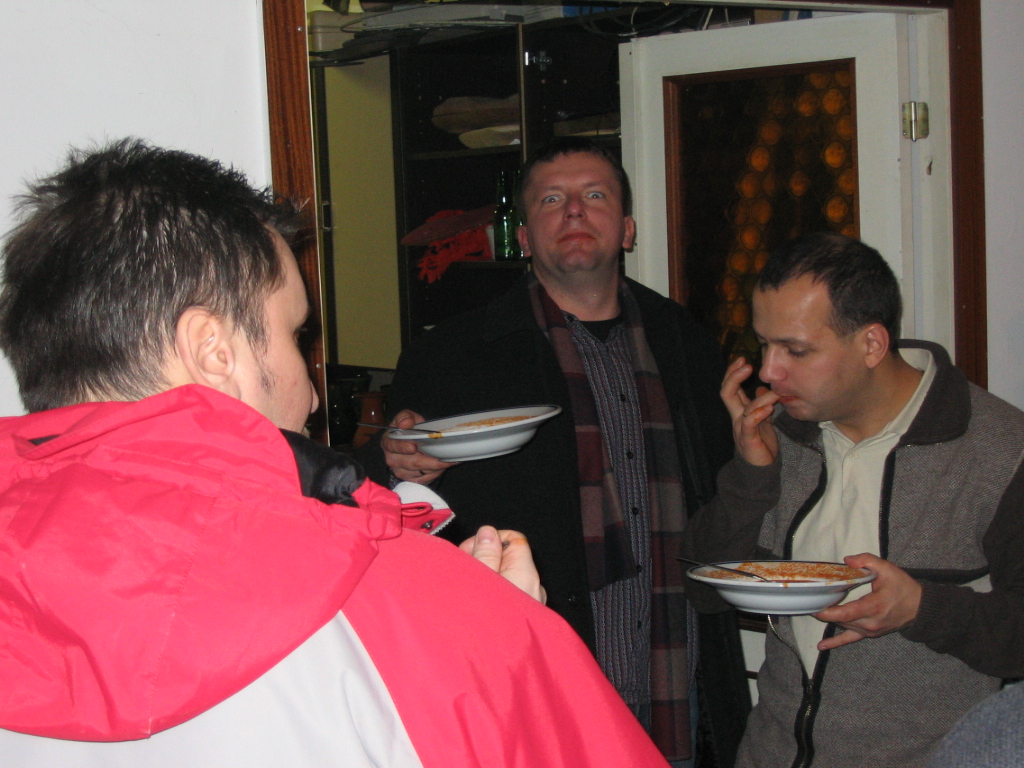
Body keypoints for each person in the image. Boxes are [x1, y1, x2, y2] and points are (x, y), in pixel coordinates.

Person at [0, 139, 671, 767]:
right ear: (213, 351)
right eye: (295, 335)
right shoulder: (400, 605)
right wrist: (501, 648)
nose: (313, 395)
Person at [358, 137, 749, 765]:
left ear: (627, 229)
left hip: (675, 672)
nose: (573, 211)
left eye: (594, 195)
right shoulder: (454, 353)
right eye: (550, 200)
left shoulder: (687, 344)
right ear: (523, 237)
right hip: (531, 677)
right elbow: (390, 508)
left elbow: (723, 501)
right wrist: (397, 460)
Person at [683, 232, 1024, 768]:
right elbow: (702, 589)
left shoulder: (999, 451)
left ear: (871, 345)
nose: (769, 371)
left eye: (796, 350)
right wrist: (752, 474)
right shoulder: (780, 430)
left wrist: (922, 608)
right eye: (764, 345)